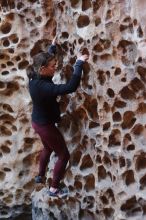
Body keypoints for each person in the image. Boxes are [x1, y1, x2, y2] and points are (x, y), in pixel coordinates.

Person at [27, 37, 89, 198]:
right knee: (64, 155)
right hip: (45, 126)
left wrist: (52, 48)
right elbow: (70, 87)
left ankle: (40, 176)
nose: (55, 68)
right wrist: (79, 63)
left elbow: (45, 59)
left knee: (48, 148)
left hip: (37, 122)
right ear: (43, 69)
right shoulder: (44, 87)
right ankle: (54, 189)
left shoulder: (34, 76)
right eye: (53, 66)